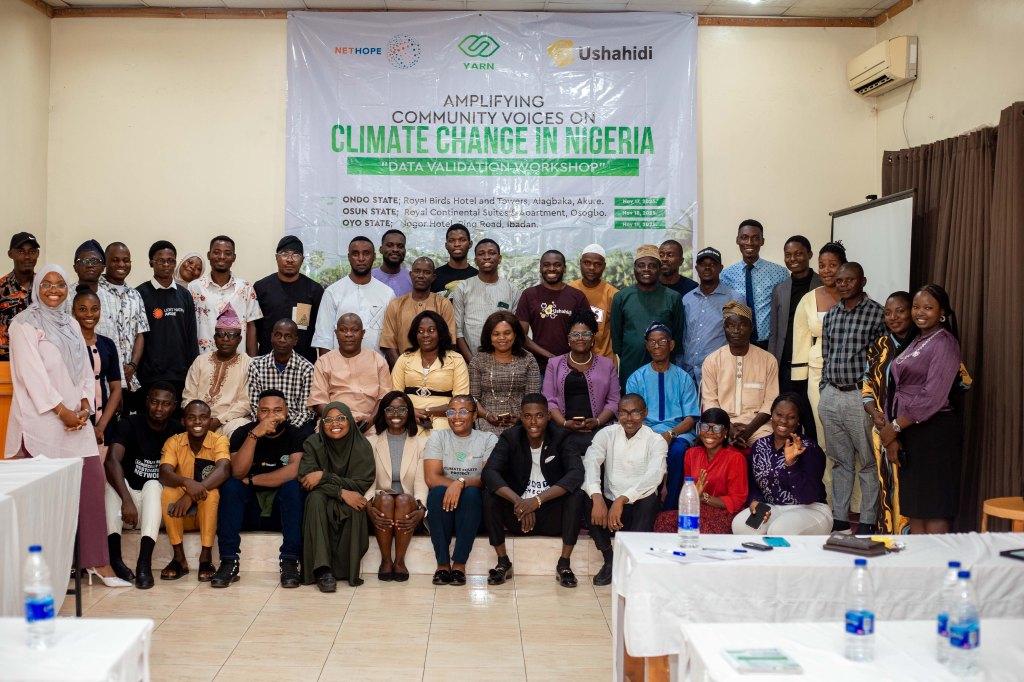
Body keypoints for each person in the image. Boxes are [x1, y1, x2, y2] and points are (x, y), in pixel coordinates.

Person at [5, 265, 125, 586]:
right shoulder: (23, 325)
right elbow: (32, 376)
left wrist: (84, 406)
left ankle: (98, 562)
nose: (54, 290)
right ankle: (42, 570)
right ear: (37, 288)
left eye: (59, 284)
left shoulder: (71, 323)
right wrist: (61, 411)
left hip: (76, 421)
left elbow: (85, 371)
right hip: (42, 421)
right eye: (46, 284)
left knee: (91, 487)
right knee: (43, 501)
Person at [879, 285, 966, 535]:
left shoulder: (945, 342)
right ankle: (918, 559)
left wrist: (895, 426)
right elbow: (894, 388)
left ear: (942, 312)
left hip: (934, 432)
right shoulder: (916, 339)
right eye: (916, 307)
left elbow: (933, 396)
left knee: (934, 508)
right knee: (915, 508)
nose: (920, 313)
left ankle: (937, 559)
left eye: (928, 308)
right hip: (910, 431)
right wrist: (892, 432)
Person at [482, 393, 586, 588]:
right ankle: (503, 562)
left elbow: (576, 473)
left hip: (551, 514)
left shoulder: (562, 437)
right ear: (521, 417)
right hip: (518, 514)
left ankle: (564, 565)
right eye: (528, 416)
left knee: (576, 496)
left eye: (539, 416)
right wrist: (519, 502)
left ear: (548, 416)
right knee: (489, 495)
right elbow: (489, 472)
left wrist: (537, 501)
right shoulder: (510, 437)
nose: (533, 422)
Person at [213, 389, 305, 588]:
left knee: (293, 487)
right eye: (265, 411)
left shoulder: (296, 433)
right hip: (249, 511)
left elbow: (294, 471)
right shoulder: (242, 433)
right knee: (231, 486)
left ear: (286, 410)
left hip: (281, 513)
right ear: (256, 412)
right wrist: (254, 435)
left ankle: (289, 562)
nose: (271, 416)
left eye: (277, 410)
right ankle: (229, 562)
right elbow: (238, 472)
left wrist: (253, 480)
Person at [819, 262, 884, 534]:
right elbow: (826, 354)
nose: (844, 285)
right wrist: (824, 388)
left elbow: (881, 359)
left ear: (863, 281)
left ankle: (867, 521)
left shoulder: (878, 313)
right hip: (832, 395)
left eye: (850, 280)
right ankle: (840, 518)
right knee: (840, 461)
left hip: (860, 397)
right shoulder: (832, 314)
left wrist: (871, 398)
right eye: (840, 280)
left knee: (868, 462)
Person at [103, 382, 183, 588]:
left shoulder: (177, 431)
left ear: (174, 406)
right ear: (147, 402)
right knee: (112, 485)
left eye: (166, 404)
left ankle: (144, 564)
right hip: (125, 507)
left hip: (155, 509)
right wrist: (126, 500)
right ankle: (115, 559)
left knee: (153, 484)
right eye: (155, 402)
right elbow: (111, 461)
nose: (159, 408)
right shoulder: (130, 423)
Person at [583, 393, 666, 585]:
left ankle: (630, 563)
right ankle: (609, 560)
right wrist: (597, 497)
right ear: (617, 413)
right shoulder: (606, 434)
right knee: (586, 496)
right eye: (623, 413)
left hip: (637, 508)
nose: (629, 418)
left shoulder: (656, 440)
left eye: (635, 412)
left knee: (649, 500)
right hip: (608, 507)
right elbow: (591, 462)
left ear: (645, 413)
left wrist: (622, 499)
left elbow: (654, 476)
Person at [300, 401, 375, 590]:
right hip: (322, 499)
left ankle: (345, 569)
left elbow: (360, 484)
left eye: (341, 418)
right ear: (322, 423)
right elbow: (307, 479)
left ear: (350, 420)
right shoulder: (313, 443)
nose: (335, 424)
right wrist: (340, 492)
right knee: (315, 499)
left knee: (356, 504)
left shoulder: (362, 445)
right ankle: (322, 570)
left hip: (349, 500)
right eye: (329, 420)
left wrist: (324, 476)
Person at [732, 393, 831, 536]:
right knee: (741, 526)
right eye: (779, 414)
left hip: (810, 509)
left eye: (791, 417)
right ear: (771, 415)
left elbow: (809, 496)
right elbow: (754, 486)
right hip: (773, 508)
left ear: (798, 421)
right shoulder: (759, 446)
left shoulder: (809, 449)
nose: (783, 421)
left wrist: (791, 465)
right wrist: (755, 501)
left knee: (780, 530)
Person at [423, 395, 497, 585]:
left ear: (474, 415)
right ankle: (442, 565)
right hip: (444, 507)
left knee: (471, 494)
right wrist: (454, 485)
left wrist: (461, 483)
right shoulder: (438, 437)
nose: (456, 416)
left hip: (474, 510)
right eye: (451, 411)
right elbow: (431, 478)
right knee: (437, 492)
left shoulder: (488, 439)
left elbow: (488, 478)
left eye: (463, 411)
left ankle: (459, 565)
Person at [625, 322, 699, 511]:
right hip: (644, 432)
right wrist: (652, 436)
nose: (657, 346)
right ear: (647, 346)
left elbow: (690, 418)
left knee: (678, 453)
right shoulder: (636, 378)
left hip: (678, 434)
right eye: (652, 342)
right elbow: (631, 416)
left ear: (671, 345)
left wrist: (670, 434)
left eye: (662, 341)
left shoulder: (683, 378)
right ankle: (641, 509)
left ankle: (670, 510)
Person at [861, 292, 917, 535]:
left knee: (910, 491)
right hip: (883, 432)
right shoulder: (879, 346)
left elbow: (961, 382)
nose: (893, 317)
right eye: (888, 313)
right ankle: (889, 541)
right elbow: (866, 388)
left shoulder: (925, 344)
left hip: (915, 430)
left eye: (900, 311)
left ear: (912, 313)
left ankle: (910, 542)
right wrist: (874, 413)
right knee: (888, 488)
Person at [158, 399, 230, 583]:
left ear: (210, 421)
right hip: (181, 514)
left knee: (211, 493)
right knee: (168, 492)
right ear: (183, 421)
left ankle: (205, 558)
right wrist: (187, 483)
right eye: (192, 417)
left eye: (203, 417)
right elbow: (164, 473)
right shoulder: (174, 442)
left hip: (207, 515)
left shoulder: (219, 440)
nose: (198, 422)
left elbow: (224, 470)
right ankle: (179, 559)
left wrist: (190, 494)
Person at [365, 391, 428, 582]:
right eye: (390, 409)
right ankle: (386, 560)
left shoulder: (421, 443)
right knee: (385, 500)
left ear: (409, 412)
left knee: (403, 499)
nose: (396, 414)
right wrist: (368, 505)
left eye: (402, 409)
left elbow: (421, 481)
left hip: (408, 506)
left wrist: (421, 508)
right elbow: (369, 479)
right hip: (380, 504)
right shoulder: (371, 442)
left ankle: (399, 561)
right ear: (383, 413)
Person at [791, 241, 847, 449]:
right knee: (823, 429)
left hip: (852, 374)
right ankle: (828, 471)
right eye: (822, 265)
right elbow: (800, 340)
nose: (826, 270)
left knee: (851, 430)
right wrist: (800, 379)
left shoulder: (856, 296)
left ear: (843, 266)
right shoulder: (808, 299)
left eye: (832, 265)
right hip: (817, 373)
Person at [701, 301, 778, 448]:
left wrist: (749, 430)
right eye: (730, 325)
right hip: (721, 425)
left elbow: (770, 402)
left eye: (742, 325)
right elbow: (710, 402)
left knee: (766, 448)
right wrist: (728, 427)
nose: (736, 330)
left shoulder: (768, 360)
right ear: (724, 329)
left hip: (759, 426)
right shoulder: (712, 361)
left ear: (751, 328)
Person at [542, 308, 620, 453]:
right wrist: (564, 423)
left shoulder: (607, 364)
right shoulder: (554, 364)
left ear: (593, 338)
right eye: (575, 334)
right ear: (568, 339)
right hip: (562, 428)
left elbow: (614, 400)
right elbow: (548, 400)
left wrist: (597, 421)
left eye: (586, 334)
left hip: (599, 428)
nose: (580, 338)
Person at [767, 236, 821, 440]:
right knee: (790, 419)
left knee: (813, 419)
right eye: (788, 255)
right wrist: (773, 364)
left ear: (809, 254)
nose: (793, 259)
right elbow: (774, 332)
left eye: (798, 253)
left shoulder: (823, 285)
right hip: (786, 366)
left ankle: (816, 456)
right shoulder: (780, 289)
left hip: (813, 366)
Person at [611, 244, 685, 392]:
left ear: (660, 269)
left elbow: (677, 335)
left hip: (663, 367)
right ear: (634, 268)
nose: (646, 269)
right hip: (631, 365)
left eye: (652, 266)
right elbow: (617, 337)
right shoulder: (621, 297)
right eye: (641, 265)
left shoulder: (673, 297)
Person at [136, 241, 199, 405]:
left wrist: (193, 370)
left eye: (170, 260)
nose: (166, 265)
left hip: (179, 375)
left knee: (176, 419)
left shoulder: (184, 295)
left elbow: (191, 336)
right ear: (151, 263)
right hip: (148, 375)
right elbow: (136, 336)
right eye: (161, 260)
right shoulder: (139, 294)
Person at [308, 312, 392, 431]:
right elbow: (319, 402)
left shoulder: (378, 361)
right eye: (343, 330)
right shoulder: (323, 362)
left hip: (370, 424)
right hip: (333, 423)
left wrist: (370, 421)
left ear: (363, 333)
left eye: (354, 330)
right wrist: (339, 420)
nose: (349, 334)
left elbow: (385, 398)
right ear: (336, 333)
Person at [312, 236, 395, 355]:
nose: (361, 258)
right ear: (349, 257)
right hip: (339, 365)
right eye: (355, 254)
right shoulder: (332, 292)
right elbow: (324, 339)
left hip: (376, 365)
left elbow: (391, 340)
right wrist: (326, 366)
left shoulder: (387, 293)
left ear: (374, 257)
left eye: (366, 254)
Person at [181, 303, 252, 437]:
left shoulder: (248, 364)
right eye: (220, 334)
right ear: (214, 338)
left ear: (239, 339)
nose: (225, 339)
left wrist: (218, 420)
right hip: (198, 420)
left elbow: (246, 403)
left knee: (240, 426)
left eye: (232, 335)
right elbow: (189, 396)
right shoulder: (200, 361)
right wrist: (198, 418)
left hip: (228, 422)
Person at [391, 310, 469, 431]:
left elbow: (460, 402)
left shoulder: (456, 360)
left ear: (440, 333)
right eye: (420, 331)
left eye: (431, 330)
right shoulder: (404, 358)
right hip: (406, 417)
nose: (425, 335)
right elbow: (394, 395)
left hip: (443, 418)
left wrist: (425, 411)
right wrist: (410, 412)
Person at [515, 249, 589, 375]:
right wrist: (551, 357)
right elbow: (521, 337)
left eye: (557, 265)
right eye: (546, 265)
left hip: (572, 368)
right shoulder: (529, 295)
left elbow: (588, 334)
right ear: (540, 268)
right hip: (540, 369)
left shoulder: (577, 296)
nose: (551, 268)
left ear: (564, 268)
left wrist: (571, 360)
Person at [253, 235, 324, 364]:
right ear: (276, 257)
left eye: (296, 255)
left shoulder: (315, 290)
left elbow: (321, 331)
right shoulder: (261, 288)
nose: (290, 259)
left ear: (302, 259)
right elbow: (254, 329)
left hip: (304, 364)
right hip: (266, 364)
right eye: (284, 254)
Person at [676, 408, 748, 534]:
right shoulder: (691, 454)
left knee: (701, 528)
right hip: (696, 511)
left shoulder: (736, 458)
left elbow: (737, 501)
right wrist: (693, 495)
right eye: (705, 427)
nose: (709, 432)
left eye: (717, 428)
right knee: (663, 521)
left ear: (725, 431)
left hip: (725, 514)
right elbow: (687, 492)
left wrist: (703, 497)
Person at [468, 310, 540, 435]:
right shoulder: (478, 360)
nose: (502, 338)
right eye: (496, 334)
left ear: (515, 334)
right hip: (485, 423)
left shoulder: (529, 360)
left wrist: (520, 417)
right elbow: (473, 398)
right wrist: (487, 415)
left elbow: (532, 398)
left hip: (521, 423)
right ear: (489, 337)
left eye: (507, 333)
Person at [719, 219, 789, 348]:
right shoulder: (725, 275)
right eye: (744, 237)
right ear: (737, 240)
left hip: (769, 344)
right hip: (737, 344)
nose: (750, 242)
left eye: (755, 238)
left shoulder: (779, 273)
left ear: (763, 241)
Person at [188, 235, 262, 356]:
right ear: (209, 255)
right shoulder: (194, 288)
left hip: (238, 360)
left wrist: (253, 362)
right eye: (217, 252)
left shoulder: (245, 288)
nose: (222, 257)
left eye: (227, 253)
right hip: (203, 359)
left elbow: (251, 326)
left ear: (234, 257)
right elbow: (187, 327)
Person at [451, 238, 521, 362]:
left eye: (491, 253)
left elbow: (516, 330)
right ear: (475, 261)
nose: (487, 257)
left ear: (499, 258)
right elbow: (458, 330)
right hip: (470, 361)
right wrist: (472, 362)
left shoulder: (512, 290)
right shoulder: (463, 288)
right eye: (481, 254)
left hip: (504, 363)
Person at [681, 247, 744, 385]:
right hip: (689, 374)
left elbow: (741, 339)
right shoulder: (687, 299)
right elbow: (684, 336)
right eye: (703, 264)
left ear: (721, 268)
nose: (707, 268)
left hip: (720, 372)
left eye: (712, 264)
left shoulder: (735, 299)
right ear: (696, 268)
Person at [379, 256, 456, 366]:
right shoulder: (396, 304)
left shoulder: (443, 304)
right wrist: (402, 370)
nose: (421, 275)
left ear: (433, 277)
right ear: (411, 275)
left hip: (437, 371)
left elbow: (449, 342)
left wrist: (436, 371)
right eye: (417, 271)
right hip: (402, 370)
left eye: (426, 272)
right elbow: (388, 344)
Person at [71, 287, 122, 448]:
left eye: (94, 309)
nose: (89, 314)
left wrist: (101, 426)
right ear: (73, 312)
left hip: (106, 421)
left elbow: (116, 388)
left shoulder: (108, 344)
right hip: (77, 419)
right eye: (82, 309)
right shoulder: (69, 345)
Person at [247, 319, 316, 436]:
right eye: (278, 335)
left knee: (307, 433)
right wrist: (266, 425)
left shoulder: (307, 369)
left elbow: (305, 412)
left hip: (294, 427)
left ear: (295, 341)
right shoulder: (256, 366)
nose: (282, 340)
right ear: (271, 337)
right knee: (240, 434)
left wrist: (285, 431)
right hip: (262, 424)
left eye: (288, 336)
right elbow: (254, 406)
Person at [97, 242, 149, 395]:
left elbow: (140, 334)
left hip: (129, 378)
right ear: (105, 263)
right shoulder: (94, 292)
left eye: (126, 260)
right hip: (102, 377)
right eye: (115, 260)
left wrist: (133, 365)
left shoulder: (135, 295)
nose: (121, 264)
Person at [568, 244, 618, 364]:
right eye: (587, 263)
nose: (592, 268)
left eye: (597, 264)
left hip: (604, 361)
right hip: (574, 361)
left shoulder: (613, 294)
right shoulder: (569, 290)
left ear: (604, 266)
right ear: (580, 263)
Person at [0, 232, 40, 360]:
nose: (27, 256)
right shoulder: (1, 287)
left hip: (39, 358)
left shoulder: (45, 287)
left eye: (32, 251)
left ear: (38, 254)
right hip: (6, 360)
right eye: (21, 251)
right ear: (10, 254)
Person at [432, 224, 478, 298]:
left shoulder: (478, 277)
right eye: (451, 241)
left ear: (470, 244)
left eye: (462, 240)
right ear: (446, 245)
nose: (457, 244)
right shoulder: (434, 276)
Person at [372, 229, 412, 297]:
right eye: (389, 245)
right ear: (381, 249)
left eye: (400, 246)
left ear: (405, 251)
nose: (395, 249)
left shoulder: (412, 279)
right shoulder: (370, 277)